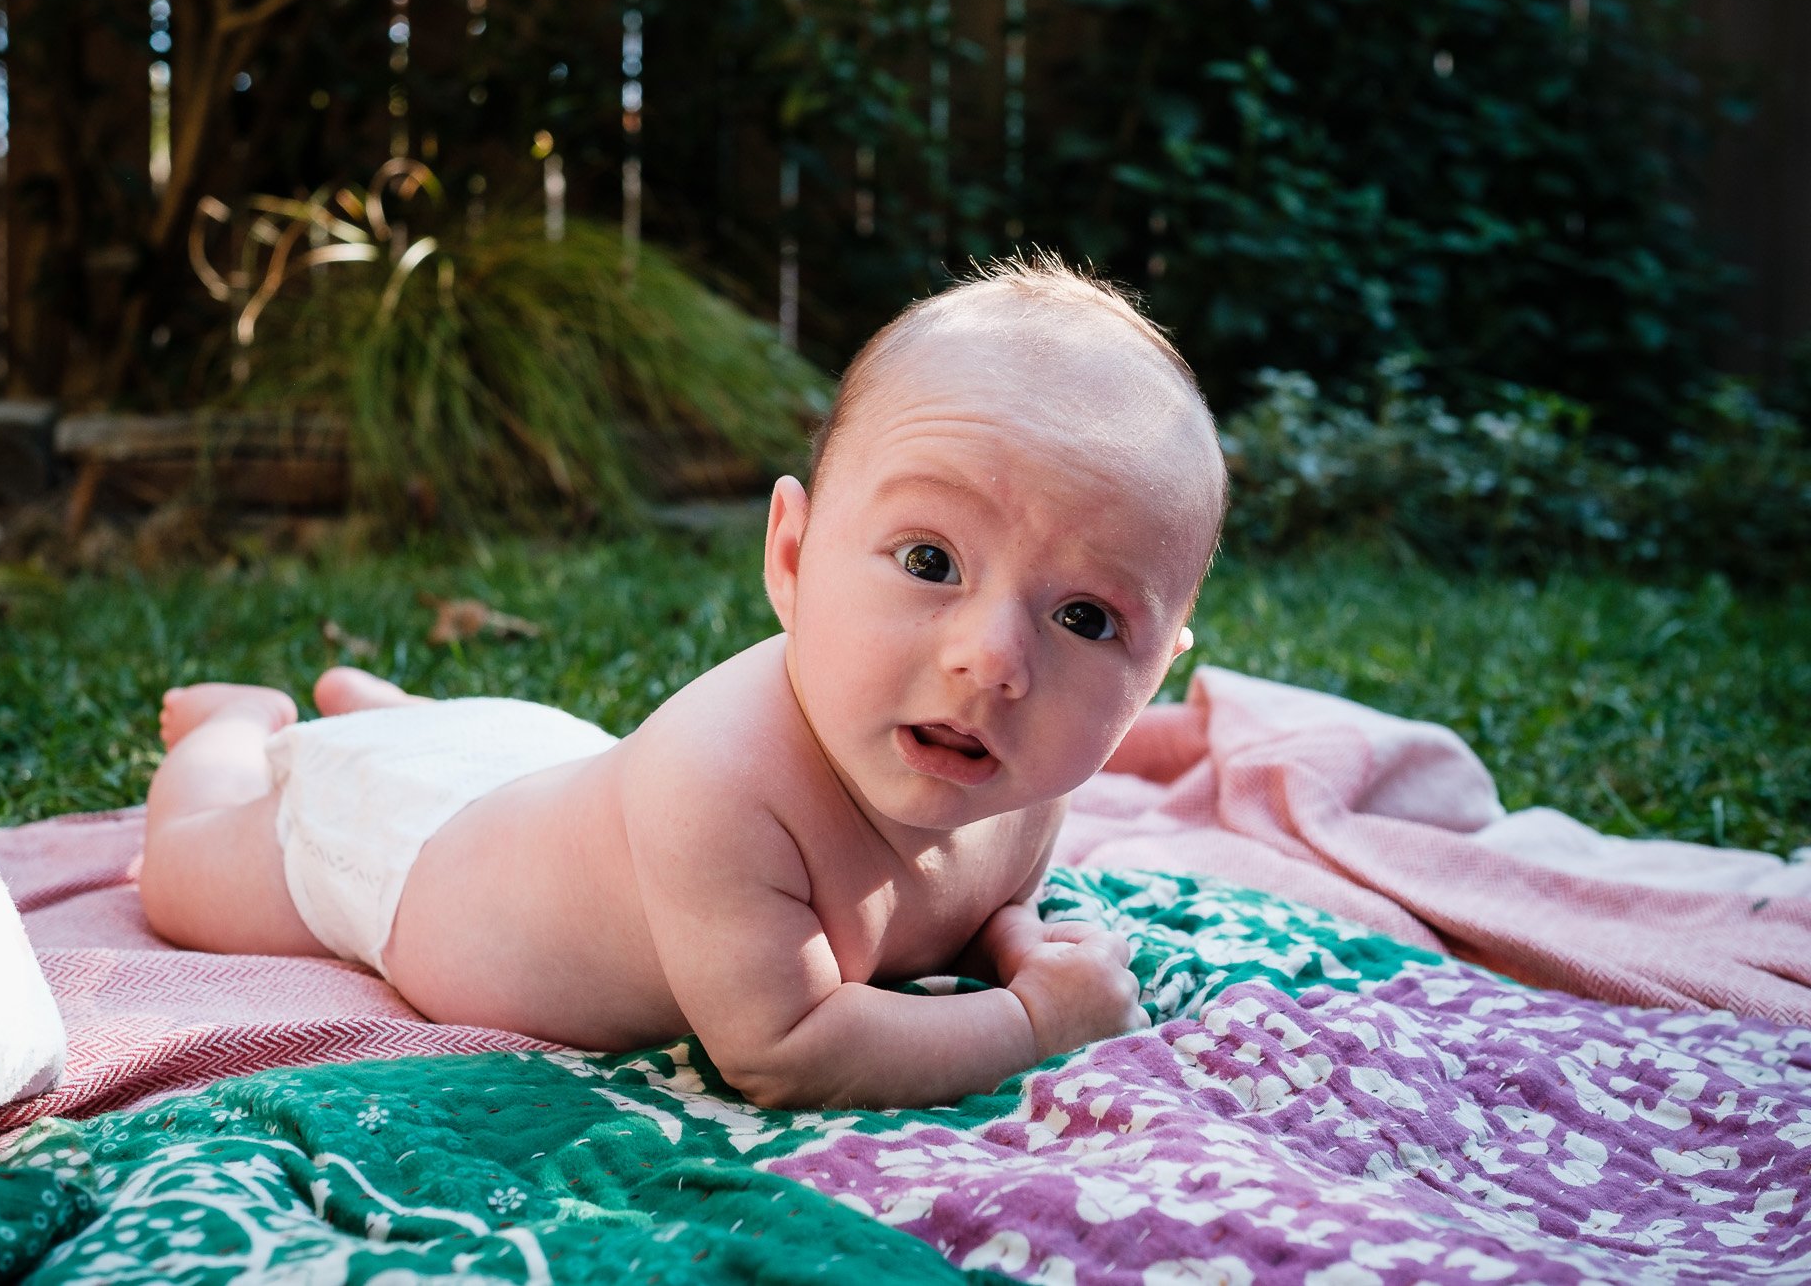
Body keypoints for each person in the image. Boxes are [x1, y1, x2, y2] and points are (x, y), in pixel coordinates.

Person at [138, 253, 1228, 1110]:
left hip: (546, 773)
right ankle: (239, 728)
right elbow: (788, 1050)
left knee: (526, 768)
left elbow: (991, 898)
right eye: (929, 562)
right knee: (180, 877)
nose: (993, 661)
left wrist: (1019, 944)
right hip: (413, 868)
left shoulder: (1020, 776)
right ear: (791, 559)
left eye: (1084, 618)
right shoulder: (720, 782)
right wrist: (1034, 1023)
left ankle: (400, 719)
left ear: (1151, 674)